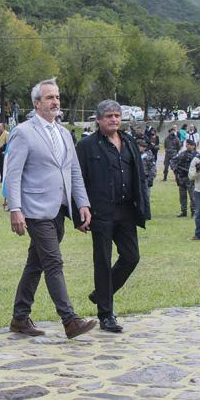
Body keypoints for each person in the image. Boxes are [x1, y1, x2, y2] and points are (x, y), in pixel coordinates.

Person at [5, 78, 96, 340]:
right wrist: (16, 209)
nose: (55, 101)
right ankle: (70, 320)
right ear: (36, 103)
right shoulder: (23, 132)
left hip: (60, 209)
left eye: (57, 97)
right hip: (35, 209)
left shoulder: (64, 133)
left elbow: (74, 172)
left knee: (37, 263)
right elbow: (13, 174)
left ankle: (20, 319)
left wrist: (83, 203)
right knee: (54, 262)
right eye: (49, 98)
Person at [76, 101, 147, 333]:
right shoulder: (86, 146)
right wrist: (80, 212)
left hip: (126, 210)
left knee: (131, 257)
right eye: (109, 116)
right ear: (98, 119)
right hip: (100, 211)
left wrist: (142, 206)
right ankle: (106, 315)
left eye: (117, 116)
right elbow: (78, 180)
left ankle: (101, 294)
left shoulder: (128, 142)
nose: (114, 120)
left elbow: (139, 175)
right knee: (103, 262)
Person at [170, 139, 198, 217]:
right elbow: (172, 161)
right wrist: (175, 169)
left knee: (193, 196)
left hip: (191, 179)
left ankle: (194, 211)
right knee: (182, 196)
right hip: (182, 178)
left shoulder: (197, 155)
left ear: (193, 146)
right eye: (187, 144)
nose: (188, 146)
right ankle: (183, 211)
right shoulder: (182, 154)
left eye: (190, 145)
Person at [138, 138, 156, 220]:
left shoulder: (148, 155)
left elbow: (152, 168)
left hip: (145, 178)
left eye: (141, 146)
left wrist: (150, 179)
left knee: (145, 197)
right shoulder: (135, 154)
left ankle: (146, 215)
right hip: (137, 178)